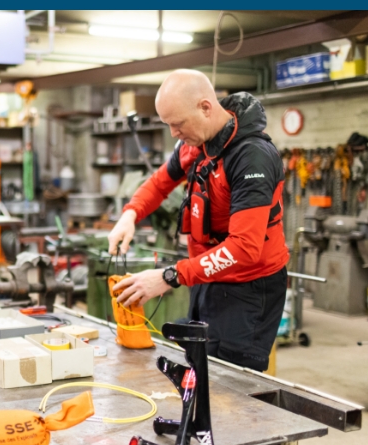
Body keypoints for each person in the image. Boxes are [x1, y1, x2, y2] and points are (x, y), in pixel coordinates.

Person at [109, 69, 288, 372]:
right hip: (209, 277)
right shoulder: (196, 144)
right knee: (201, 365)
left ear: (205, 108)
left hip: (249, 288)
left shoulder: (251, 157)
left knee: (229, 380)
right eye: (168, 125)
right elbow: (160, 183)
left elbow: (244, 248)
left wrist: (169, 276)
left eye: (177, 124)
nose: (173, 134)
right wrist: (130, 214)